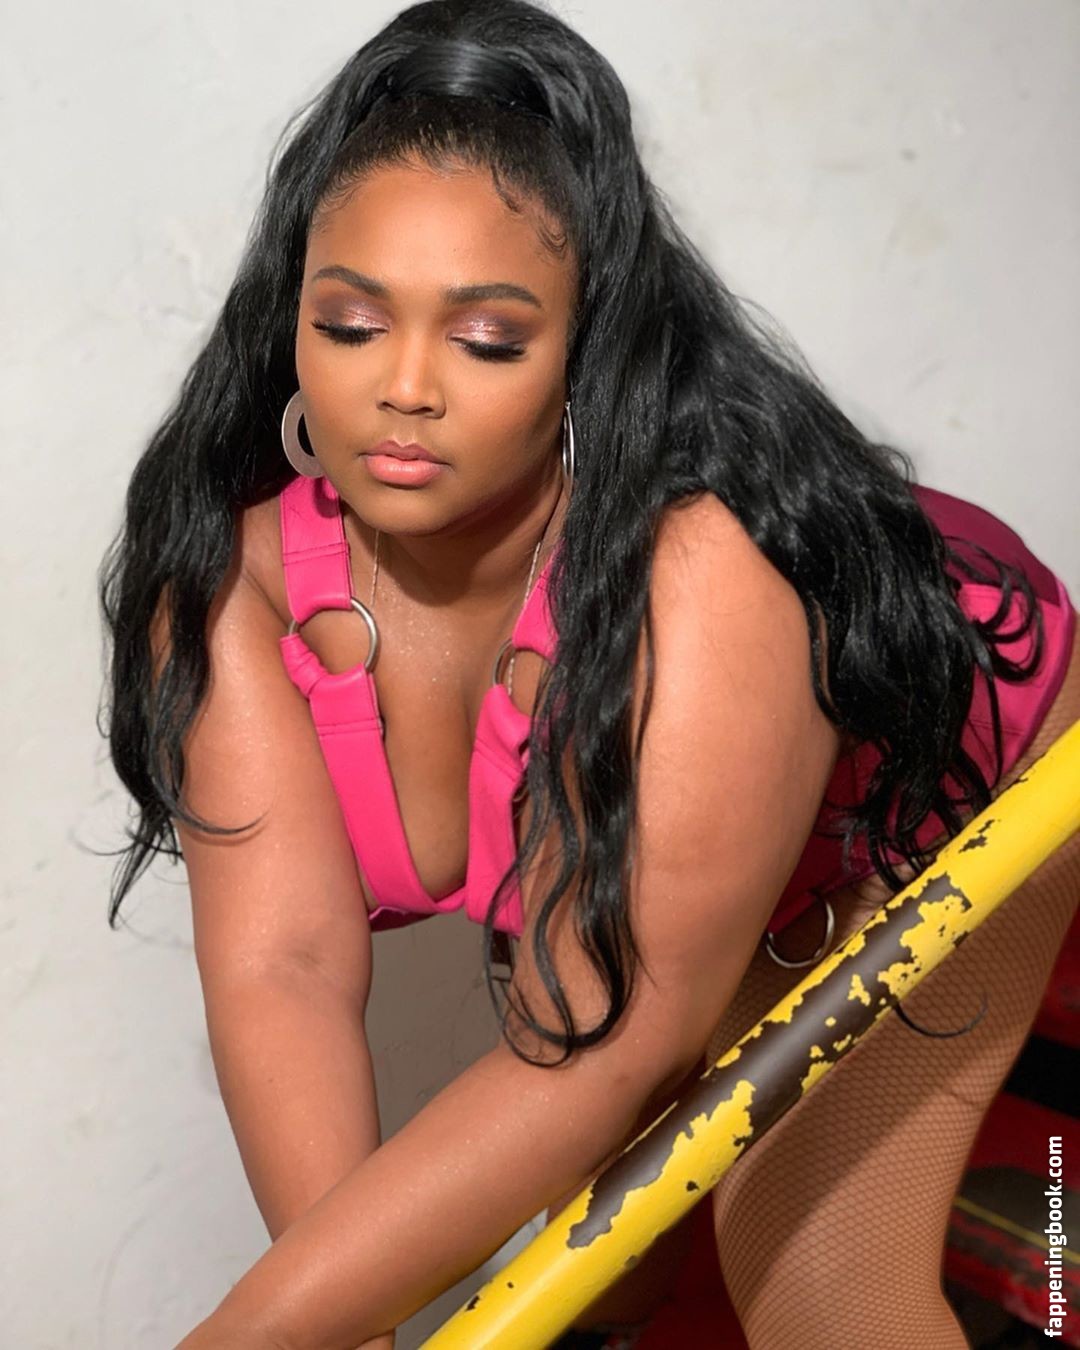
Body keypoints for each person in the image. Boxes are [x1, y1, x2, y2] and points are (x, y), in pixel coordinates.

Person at [97, 2, 1079, 1346]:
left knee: (816, 1284)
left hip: (948, 763)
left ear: (584, 354)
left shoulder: (707, 566)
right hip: (658, 884)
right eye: (352, 322)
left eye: (488, 338)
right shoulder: (232, 585)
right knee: (593, 1282)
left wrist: (245, 1334)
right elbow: (288, 967)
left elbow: (607, 1038)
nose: (406, 386)